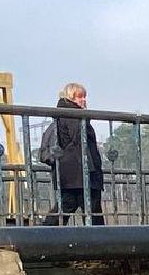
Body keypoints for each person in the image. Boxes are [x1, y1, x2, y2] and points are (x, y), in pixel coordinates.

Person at [44, 82, 105, 225]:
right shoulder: (73, 116)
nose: (84, 100)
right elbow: (78, 139)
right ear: (70, 98)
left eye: (84, 97)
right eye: (79, 97)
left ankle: (43, 233)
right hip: (80, 172)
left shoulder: (65, 115)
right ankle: (43, 232)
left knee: (68, 206)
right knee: (90, 210)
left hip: (72, 173)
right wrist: (85, 117)